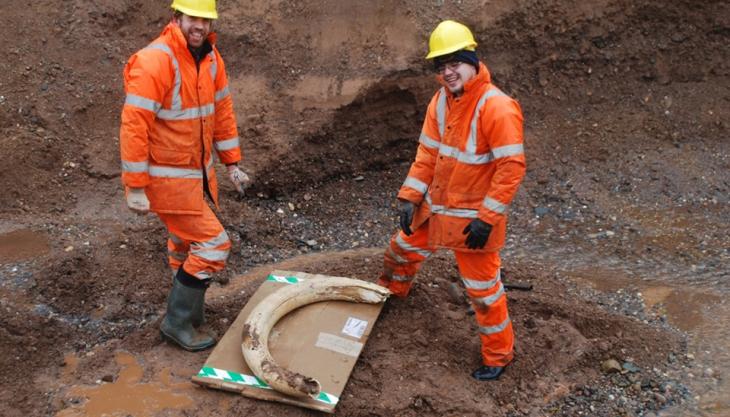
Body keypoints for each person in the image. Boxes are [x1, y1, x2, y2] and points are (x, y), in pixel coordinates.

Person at [377, 20, 526, 380]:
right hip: (437, 211)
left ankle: (498, 356)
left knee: (484, 294)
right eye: (440, 66)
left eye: (454, 63)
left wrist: (487, 219)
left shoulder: (498, 107)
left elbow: (511, 168)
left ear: (472, 60)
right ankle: (394, 296)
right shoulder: (441, 102)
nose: (447, 72)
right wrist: (410, 196)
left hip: (474, 224)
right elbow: (427, 153)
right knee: (399, 252)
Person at [119, 0, 250, 351]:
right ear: (177, 17)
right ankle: (177, 322)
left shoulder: (210, 58)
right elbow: (134, 126)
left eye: (206, 20)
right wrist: (135, 186)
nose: (200, 26)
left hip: (197, 179)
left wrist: (232, 163)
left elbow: (222, 111)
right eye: (193, 18)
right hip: (169, 182)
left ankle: (191, 315)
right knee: (214, 245)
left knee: (184, 243)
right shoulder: (154, 61)